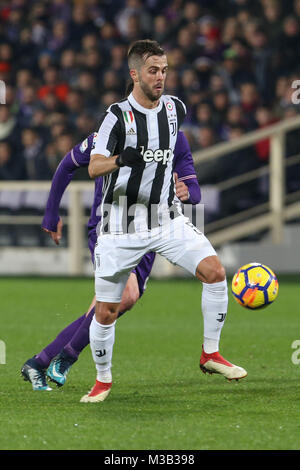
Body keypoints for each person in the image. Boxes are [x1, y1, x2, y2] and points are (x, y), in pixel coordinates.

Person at [81, 39, 247, 404]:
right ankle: (102, 380)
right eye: (153, 70)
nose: (160, 77)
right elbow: (93, 167)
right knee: (107, 310)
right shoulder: (116, 117)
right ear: (135, 74)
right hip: (120, 226)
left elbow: (177, 153)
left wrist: (185, 183)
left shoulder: (175, 108)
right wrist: (121, 160)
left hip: (165, 218)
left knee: (216, 272)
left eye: (164, 70)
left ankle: (210, 354)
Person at [21, 129, 201, 391]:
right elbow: (66, 166)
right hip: (109, 228)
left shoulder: (174, 136)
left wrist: (189, 193)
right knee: (125, 296)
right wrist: (51, 214)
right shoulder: (106, 135)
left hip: (151, 230)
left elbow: (192, 185)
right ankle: (67, 357)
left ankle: (39, 362)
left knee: (106, 307)